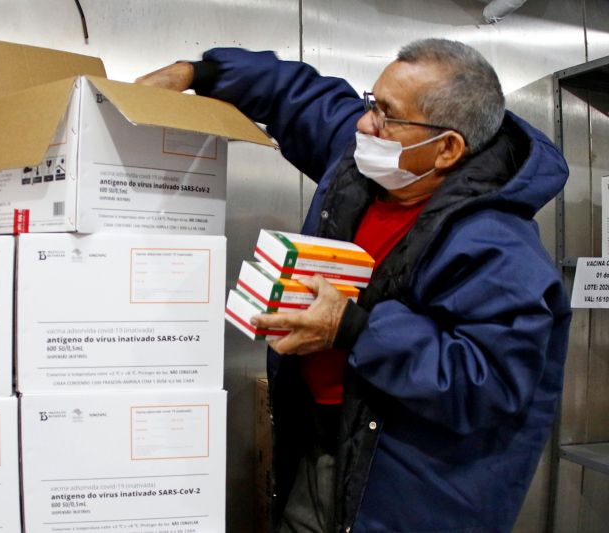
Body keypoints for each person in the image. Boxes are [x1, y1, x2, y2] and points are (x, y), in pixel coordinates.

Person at [137, 39, 571, 533]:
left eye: (386, 114)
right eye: (371, 102)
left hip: (405, 488)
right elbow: (298, 98)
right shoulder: (372, 166)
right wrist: (195, 72)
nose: (366, 124)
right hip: (319, 446)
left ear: (448, 148)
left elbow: (487, 385)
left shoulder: (497, 248)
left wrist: (355, 328)